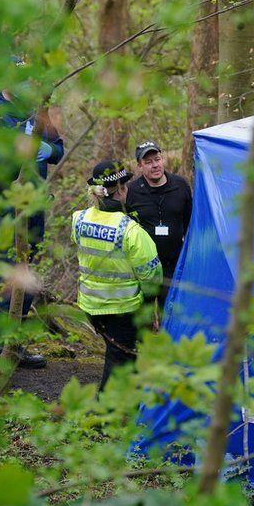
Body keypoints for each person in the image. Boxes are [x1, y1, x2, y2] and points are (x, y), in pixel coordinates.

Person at [0, 81, 64, 369]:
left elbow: (59, 150)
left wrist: (45, 149)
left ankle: (12, 345)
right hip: (4, 211)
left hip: (33, 209)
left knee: (28, 280)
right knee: (5, 279)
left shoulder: (36, 111)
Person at [73, 160, 163, 390]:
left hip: (90, 306)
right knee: (119, 361)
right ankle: (105, 414)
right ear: (122, 189)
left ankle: (123, 405)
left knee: (119, 355)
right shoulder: (130, 231)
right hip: (122, 310)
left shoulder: (79, 220)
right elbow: (152, 277)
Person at [126, 141, 192, 306]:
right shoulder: (132, 191)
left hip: (173, 265)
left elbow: (190, 223)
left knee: (169, 313)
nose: (155, 165)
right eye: (148, 162)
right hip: (144, 268)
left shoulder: (180, 185)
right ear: (139, 166)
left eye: (157, 159)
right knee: (144, 317)